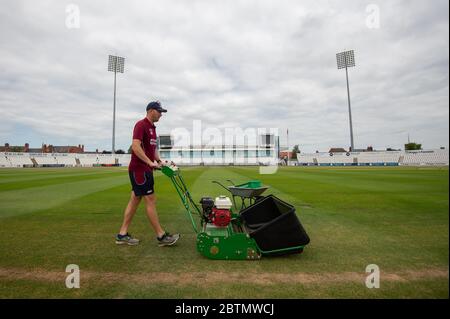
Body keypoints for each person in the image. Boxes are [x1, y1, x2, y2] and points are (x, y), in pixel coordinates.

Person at [115, 101, 180, 247]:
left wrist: (159, 160)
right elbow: (136, 147)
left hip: (145, 170)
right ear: (151, 110)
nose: (161, 115)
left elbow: (153, 148)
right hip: (140, 170)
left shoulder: (152, 128)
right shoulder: (141, 125)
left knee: (135, 200)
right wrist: (149, 162)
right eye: (159, 111)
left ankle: (122, 234)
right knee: (150, 199)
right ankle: (161, 235)